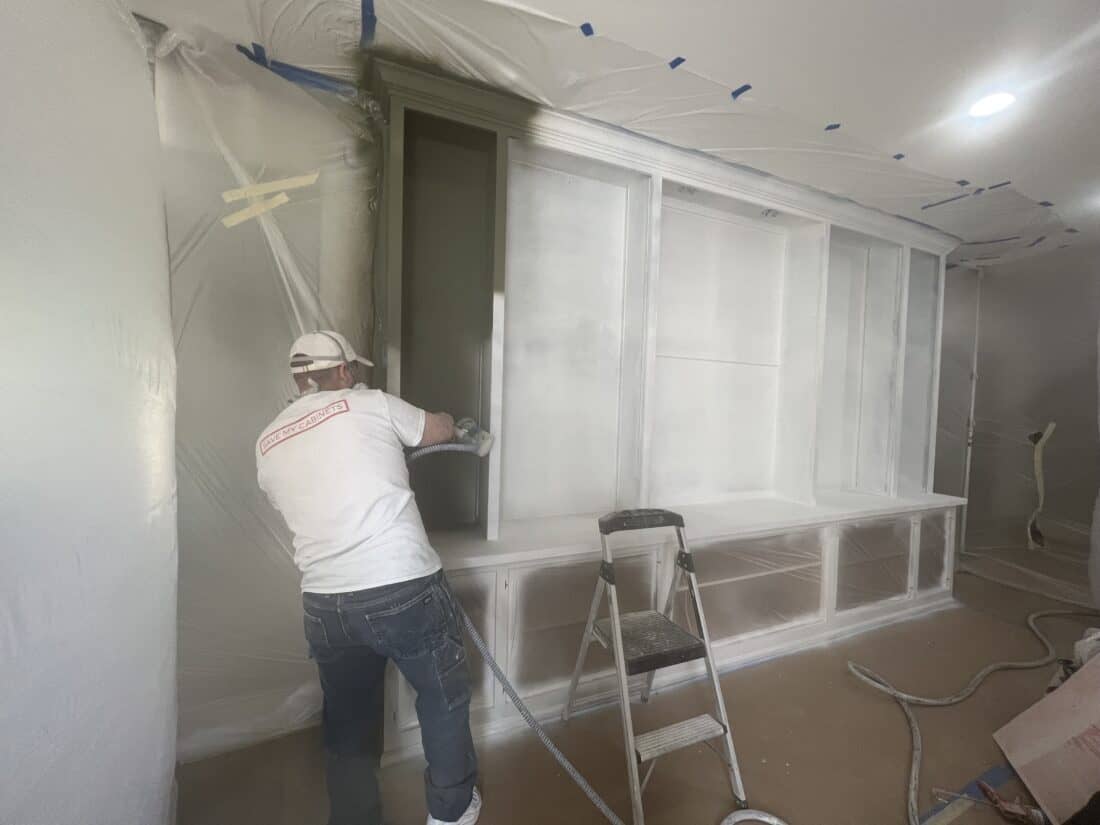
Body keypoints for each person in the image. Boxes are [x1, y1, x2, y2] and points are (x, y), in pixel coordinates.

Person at [256, 330, 480, 825]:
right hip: (402, 585)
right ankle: (451, 813)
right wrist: (457, 425)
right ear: (339, 372)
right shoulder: (370, 404)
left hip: (325, 603)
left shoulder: (267, 441)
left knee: (348, 723)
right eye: (351, 369)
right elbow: (437, 430)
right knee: (442, 697)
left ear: (299, 379)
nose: (355, 376)